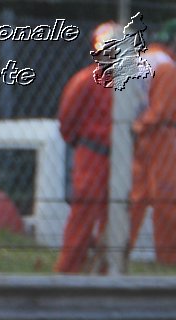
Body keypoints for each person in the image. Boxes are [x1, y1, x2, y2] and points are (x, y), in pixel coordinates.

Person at [54, 22, 117, 274]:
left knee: (113, 221)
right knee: (83, 216)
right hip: (92, 155)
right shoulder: (85, 81)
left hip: (118, 159)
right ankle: (67, 273)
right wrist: (81, 143)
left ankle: (104, 273)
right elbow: (67, 121)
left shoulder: (126, 84)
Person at [127, 18, 176, 266]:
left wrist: (135, 128)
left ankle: (116, 249)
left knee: (135, 198)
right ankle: (171, 259)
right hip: (162, 136)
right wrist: (146, 125)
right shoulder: (168, 67)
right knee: (167, 199)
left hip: (142, 137)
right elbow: (162, 109)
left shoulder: (142, 61)